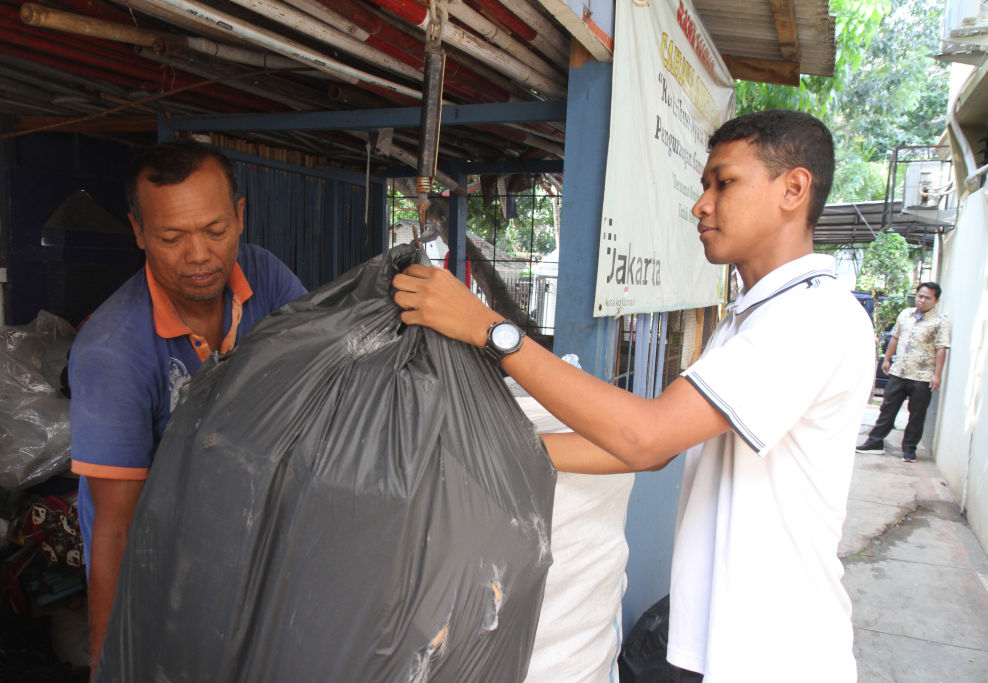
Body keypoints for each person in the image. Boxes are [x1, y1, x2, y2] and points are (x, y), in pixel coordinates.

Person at [392, 110, 873, 682]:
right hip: (723, 647)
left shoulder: (810, 315)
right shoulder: (750, 318)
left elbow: (646, 437)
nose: (702, 204)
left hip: (777, 654)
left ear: (794, 188)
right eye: (703, 186)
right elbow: (654, 448)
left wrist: (489, 330)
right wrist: (491, 445)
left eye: (724, 182)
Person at [68, 141, 307, 672]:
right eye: (171, 237)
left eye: (215, 231)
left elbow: (317, 380)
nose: (199, 255)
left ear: (239, 216)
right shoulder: (113, 352)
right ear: (138, 231)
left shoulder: (264, 277)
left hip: (247, 535)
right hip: (162, 563)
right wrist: (109, 665)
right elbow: (115, 529)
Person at [856, 283, 950, 462]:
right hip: (899, 372)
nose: (922, 300)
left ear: (936, 301)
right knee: (887, 409)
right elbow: (895, 337)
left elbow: (941, 349)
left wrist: (937, 374)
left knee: (916, 414)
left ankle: (909, 450)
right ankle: (875, 443)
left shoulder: (940, 322)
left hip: (922, 376)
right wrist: (887, 359)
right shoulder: (905, 314)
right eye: (920, 296)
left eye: (927, 297)